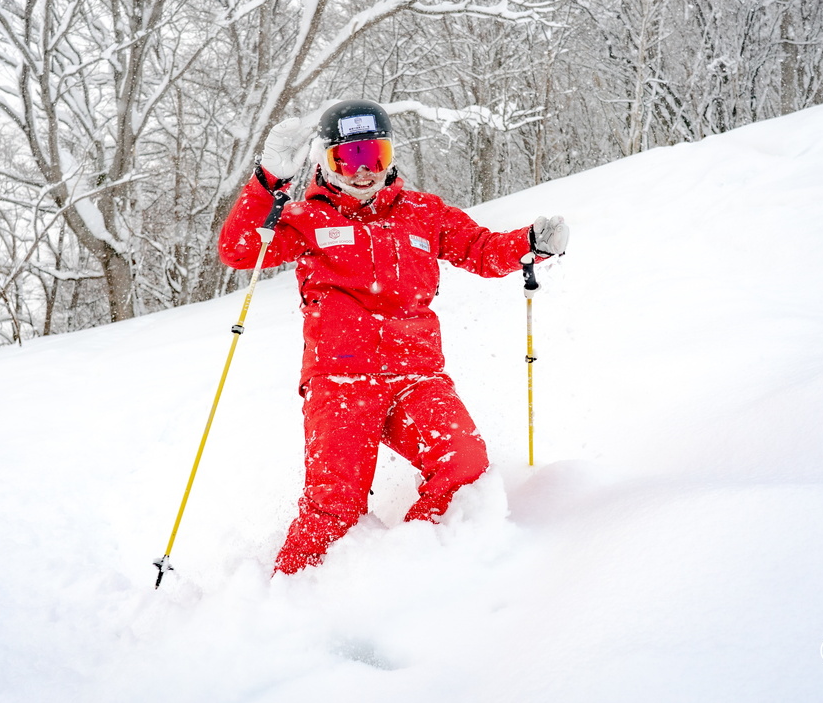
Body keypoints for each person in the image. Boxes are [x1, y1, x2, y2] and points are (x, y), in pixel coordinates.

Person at [218, 100, 568, 575]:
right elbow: (239, 250)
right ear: (327, 162)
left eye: (374, 157)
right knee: (335, 508)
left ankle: (411, 574)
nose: (364, 172)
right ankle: (288, 600)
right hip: (341, 382)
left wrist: (529, 244)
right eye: (349, 159)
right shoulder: (306, 219)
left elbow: (482, 251)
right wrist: (268, 181)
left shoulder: (423, 213)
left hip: (417, 378)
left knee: (463, 468)